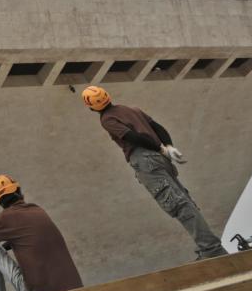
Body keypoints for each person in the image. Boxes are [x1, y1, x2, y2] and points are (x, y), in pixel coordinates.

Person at [81, 85, 228, 259]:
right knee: (184, 200)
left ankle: (212, 250)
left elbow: (132, 137)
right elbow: (159, 128)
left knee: (178, 205)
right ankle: (207, 248)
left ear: (90, 107)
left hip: (145, 159)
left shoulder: (107, 119)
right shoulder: (132, 109)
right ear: (108, 97)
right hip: (161, 159)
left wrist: (159, 148)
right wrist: (168, 147)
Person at [0, 175, 82, 291]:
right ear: (18, 191)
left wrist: (5, 245)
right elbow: (33, 237)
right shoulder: (37, 209)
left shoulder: (5, 217)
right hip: (75, 287)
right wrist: (12, 242)